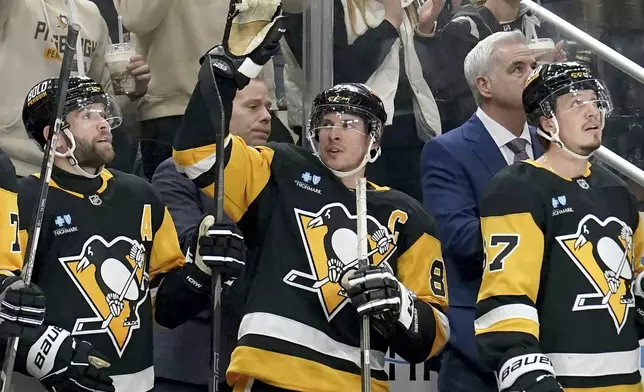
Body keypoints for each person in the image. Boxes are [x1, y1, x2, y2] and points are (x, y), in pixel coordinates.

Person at [167, 23, 450, 391]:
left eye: (348, 124)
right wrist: (224, 76)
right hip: (268, 372)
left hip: (355, 381)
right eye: (326, 123)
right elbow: (197, 155)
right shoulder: (280, 168)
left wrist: (399, 304)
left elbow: (434, 335)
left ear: (374, 137)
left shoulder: (407, 215)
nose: (333, 133)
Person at [11, 75, 227, 392]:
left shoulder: (140, 194)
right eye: (87, 115)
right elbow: (8, 309)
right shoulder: (23, 200)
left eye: (103, 113)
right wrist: (44, 357)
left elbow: (165, 308)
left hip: (140, 383)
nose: (103, 124)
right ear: (55, 138)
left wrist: (201, 270)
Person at [476, 61, 643, 391]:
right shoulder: (517, 189)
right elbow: (507, 295)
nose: (592, 112)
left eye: (594, 101)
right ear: (546, 120)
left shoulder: (616, 189)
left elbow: (634, 282)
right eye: (576, 103)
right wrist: (525, 372)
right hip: (561, 382)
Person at [420, 30, 542, 392]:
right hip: (477, 347)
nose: (532, 75)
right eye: (518, 68)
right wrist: (545, 233)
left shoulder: (556, 144)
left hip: (552, 338)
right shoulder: (447, 151)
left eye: (534, 66)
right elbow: (462, 240)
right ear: (484, 85)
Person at [151, 77, 272, 392]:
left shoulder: (278, 177)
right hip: (190, 361)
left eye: (268, 107)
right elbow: (188, 241)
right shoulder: (174, 173)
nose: (267, 116)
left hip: (254, 360)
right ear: (218, 112)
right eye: (253, 106)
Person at [282, 0, 444, 200]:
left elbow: (413, 75)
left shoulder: (393, 3)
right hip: (348, 138)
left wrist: (423, 30)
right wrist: (389, 25)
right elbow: (334, 79)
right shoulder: (316, 6)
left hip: (405, 137)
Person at [0, 0, 151, 177]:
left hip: (72, 167)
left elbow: (104, 98)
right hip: (13, 162)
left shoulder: (90, 14)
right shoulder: (14, 5)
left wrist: (133, 90)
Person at [422, 0, 564, 132]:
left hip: (538, 131)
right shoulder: (464, 29)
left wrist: (552, 73)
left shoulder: (538, 24)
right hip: (487, 137)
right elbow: (459, 105)